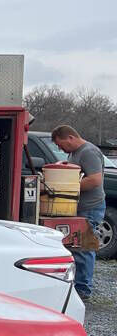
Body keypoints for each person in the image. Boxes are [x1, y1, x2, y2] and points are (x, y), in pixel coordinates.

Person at [51, 124, 107, 301]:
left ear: (70, 138)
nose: (60, 148)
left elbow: (95, 180)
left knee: (83, 247)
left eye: (61, 145)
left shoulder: (88, 152)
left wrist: (66, 188)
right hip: (79, 207)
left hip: (90, 207)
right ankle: (77, 285)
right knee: (75, 247)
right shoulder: (74, 153)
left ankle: (83, 289)